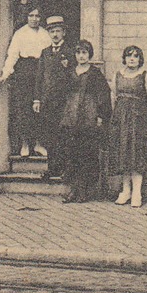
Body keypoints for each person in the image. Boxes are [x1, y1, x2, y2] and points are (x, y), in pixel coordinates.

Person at [0, 1, 51, 157]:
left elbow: (50, 57)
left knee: (41, 108)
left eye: (37, 16)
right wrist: (5, 75)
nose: (34, 19)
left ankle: (39, 144)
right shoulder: (20, 33)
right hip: (24, 72)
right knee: (23, 109)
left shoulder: (45, 34)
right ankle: (25, 144)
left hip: (41, 70)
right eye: (31, 15)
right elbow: (12, 56)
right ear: (26, 16)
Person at [58, 40, 112, 203]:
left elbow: (103, 95)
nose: (81, 56)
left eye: (84, 53)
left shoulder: (95, 73)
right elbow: (61, 92)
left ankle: (84, 191)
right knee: (72, 152)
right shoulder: (69, 72)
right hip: (71, 115)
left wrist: (101, 115)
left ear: (89, 55)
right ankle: (73, 190)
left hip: (89, 116)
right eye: (78, 53)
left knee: (87, 153)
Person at [108, 45, 147, 208]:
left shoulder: (146, 76)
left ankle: (137, 193)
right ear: (124, 58)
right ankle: (125, 191)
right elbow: (113, 97)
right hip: (121, 120)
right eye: (129, 56)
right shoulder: (117, 75)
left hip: (140, 120)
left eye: (136, 56)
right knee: (123, 154)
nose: (132, 59)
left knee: (137, 155)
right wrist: (115, 117)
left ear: (140, 59)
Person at [33, 15, 75, 180]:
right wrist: (37, 99)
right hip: (48, 102)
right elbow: (39, 78)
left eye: (58, 31)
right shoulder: (45, 53)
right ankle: (52, 169)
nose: (55, 34)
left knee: (64, 135)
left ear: (64, 32)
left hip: (64, 102)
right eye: (52, 31)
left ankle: (66, 169)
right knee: (50, 136)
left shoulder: (70, 52)